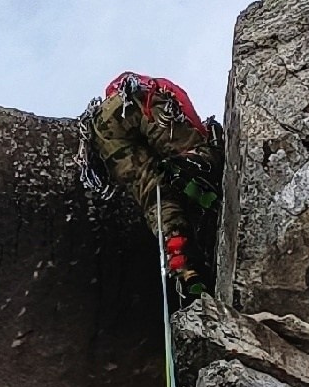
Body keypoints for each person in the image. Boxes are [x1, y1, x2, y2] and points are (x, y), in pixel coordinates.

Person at [79, 72, 224, 300]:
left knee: (153, 192)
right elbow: (182, 105)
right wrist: (203, 143)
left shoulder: (107, 102)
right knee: (185, 150)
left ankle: (180, 257)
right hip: (135, 100)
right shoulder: (156, 85)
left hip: (100, 131)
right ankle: (192, 169)